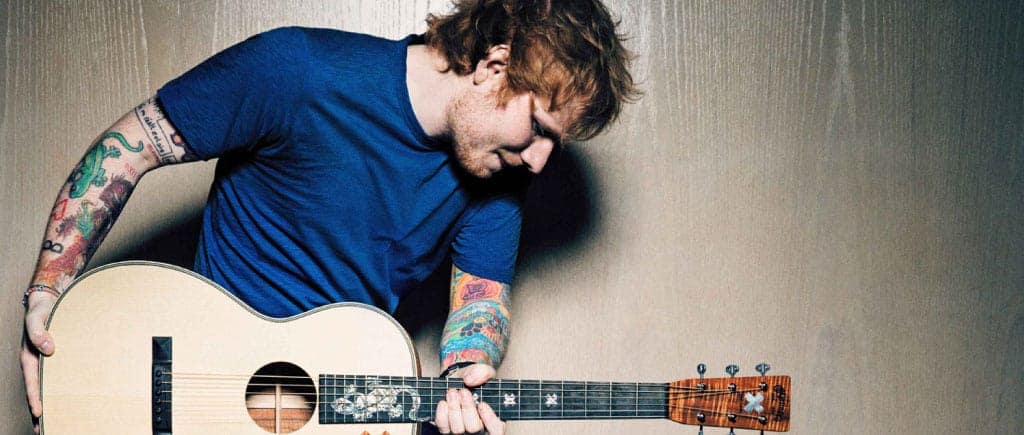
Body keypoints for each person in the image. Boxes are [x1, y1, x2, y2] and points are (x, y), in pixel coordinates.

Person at [19, 0, 638, 433]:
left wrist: (464, 375)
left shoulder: (498, 174)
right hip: (195, 384)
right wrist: (49, 290)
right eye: (539, 128)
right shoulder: (297, 70)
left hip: (336, 406)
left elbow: (480, 301)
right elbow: (129, 147)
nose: (539, 160)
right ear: (494, 68)